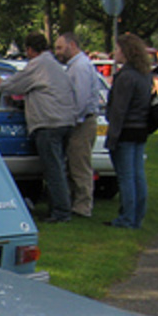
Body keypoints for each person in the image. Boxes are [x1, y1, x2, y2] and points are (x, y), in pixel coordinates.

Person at [0, 32, 76, 223]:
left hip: (49, 123)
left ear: (30, 50)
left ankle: (61, 212)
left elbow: (14, 85)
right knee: (59, 167)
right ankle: (59, 207)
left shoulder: (37, 65)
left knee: (53, 169)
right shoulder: (55, 65)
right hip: (65, 121)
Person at [105, 32, 154, 229]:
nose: (115, 53)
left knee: (125, 177)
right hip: (140, 129)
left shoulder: (125, 77)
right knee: (137, 175)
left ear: (125, 52)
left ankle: (126, 218)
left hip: (125, 130)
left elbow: (118, 110)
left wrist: (112, 137)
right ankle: (137, 216)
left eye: (117, 49)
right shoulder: (144, 75)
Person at [54, 31, 100, 218]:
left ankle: (82, 207)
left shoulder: (79, 67)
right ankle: (77, 202)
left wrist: (70, 120)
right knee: (75, 164)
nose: (57, 52)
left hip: (81, 122)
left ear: (72, 45)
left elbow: (80, 100)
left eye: (60, 47)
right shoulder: (77, 65)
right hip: (81, 120)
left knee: (80, 165)